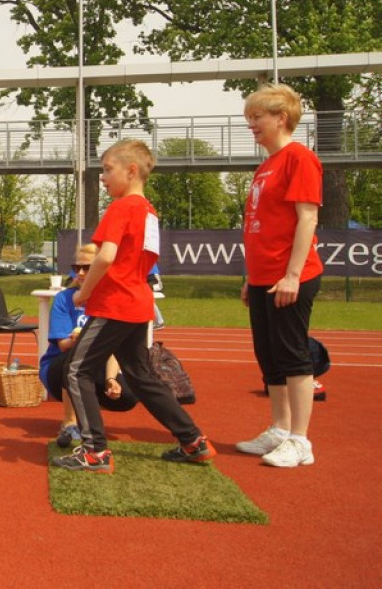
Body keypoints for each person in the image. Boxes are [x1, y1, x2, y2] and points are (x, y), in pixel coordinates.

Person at [52, 139, 215, 473]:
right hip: (138, 304)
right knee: (141, 377)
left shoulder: (122, 207)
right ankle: (193, 441)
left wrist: (83, 293)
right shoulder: (149, 212)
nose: (102, 177)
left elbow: (106, 256)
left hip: (115, 304)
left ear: (131, 170)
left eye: (107, 169)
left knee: (75, 369)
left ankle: (95, 451)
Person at [238, 83, 323, 468]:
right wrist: (249, 277)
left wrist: (291, 275)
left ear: (281, 118)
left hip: (290, 276)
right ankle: (279, 428)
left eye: (257, 117)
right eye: (249, 118)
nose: (251, 125)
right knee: (268, 356)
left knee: (292, 356)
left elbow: (307, 218)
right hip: (262, 276)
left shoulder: (299, 158)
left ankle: (301, 440)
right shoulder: (265, 165)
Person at [39, 243, 139, 448]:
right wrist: (79, 338)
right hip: (59, 365)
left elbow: (111, 348)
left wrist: (111, 378)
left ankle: (88, 409)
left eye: (87, 268)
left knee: (128, 396)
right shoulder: (65, 299)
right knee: (75, 358)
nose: (81, 273)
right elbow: (64, 345)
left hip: (95, 364)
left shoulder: (109, 301)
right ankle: (69, 423)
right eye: (77, 268)